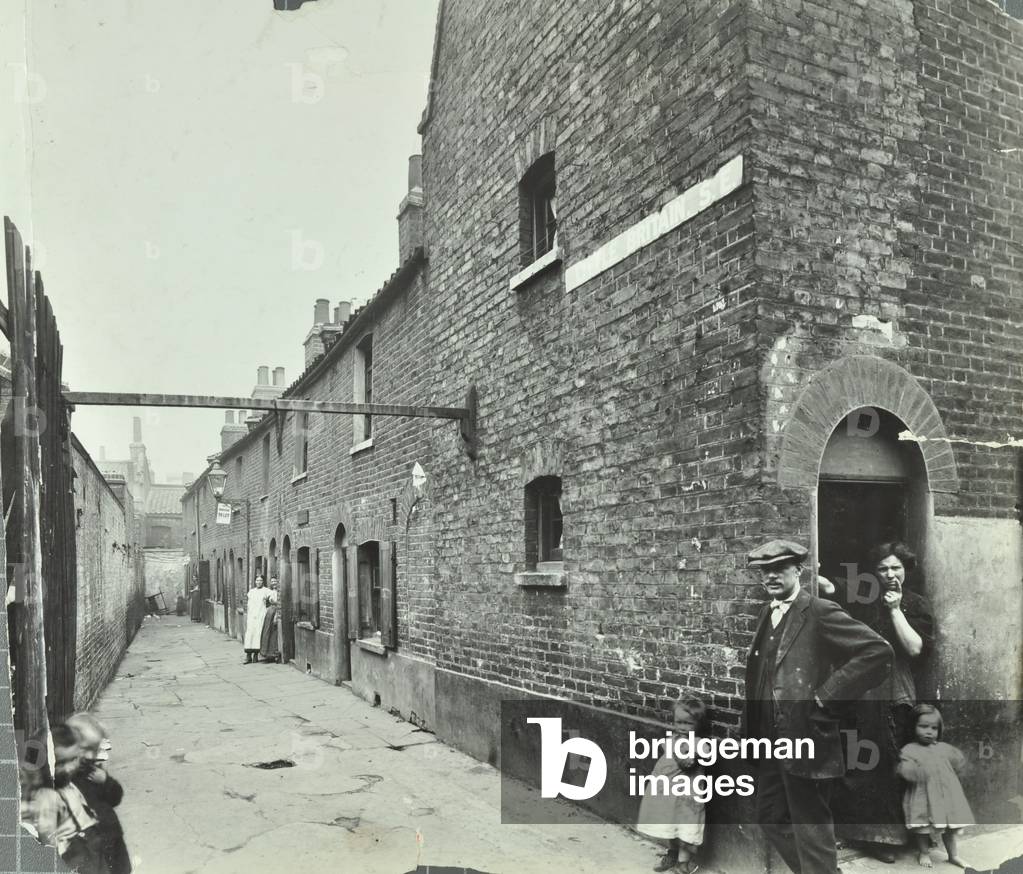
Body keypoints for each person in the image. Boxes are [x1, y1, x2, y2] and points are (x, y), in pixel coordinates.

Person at [743, 539, 893, 874]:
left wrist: (826, 698)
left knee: (811, 827)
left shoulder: (819, 612)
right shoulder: (768, 612)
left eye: (779, 569)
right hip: (768, 739)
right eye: (764, 571)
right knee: (769, 817)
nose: (770, 577)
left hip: (805, 736)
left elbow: (877, 651)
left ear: (798, 570)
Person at [829, 542, 935, 862]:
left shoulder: (916, 604)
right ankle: (865, 836)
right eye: (883, 569)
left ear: (907, 570)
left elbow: (915, 648)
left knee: (894, 758)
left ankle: (894, 837)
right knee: (861, 759)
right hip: (862, 688)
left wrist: (895, 609)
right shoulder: (863, 599)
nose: (890, 574)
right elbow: (830, 588)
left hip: (897, 688)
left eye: (896, 568)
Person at [636, 696, 708, 874]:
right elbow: (667, 749)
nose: (682, 727)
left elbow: (704, 754)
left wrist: (693, 755)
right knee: (671, 823)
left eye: (688, 724)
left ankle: (683, 864)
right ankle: (672, 853)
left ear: (698, 724)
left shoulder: (699, 743)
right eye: (679, 722)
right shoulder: (673, 739)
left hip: (687, 797)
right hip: (669, 794)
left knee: (686, 827)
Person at [897, 704, 973, 868]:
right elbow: (904, 770)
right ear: (913, 727)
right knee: (923, 827)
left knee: (951, 827)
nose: (929, 731)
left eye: (934, 728)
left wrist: (959, 764)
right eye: (923, 726)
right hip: (923, 796)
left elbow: (958, 759)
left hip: (946, 796)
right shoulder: (910, 749)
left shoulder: (943, 748)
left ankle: (953, 855)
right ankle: (924, 852)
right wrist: (917, 770)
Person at [67, 713, 132, 874]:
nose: (91, 756)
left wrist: (105, 781)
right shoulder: (66, 777)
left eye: (95, 750)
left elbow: (115, 797)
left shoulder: (94, 771)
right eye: (86, 750)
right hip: (89, 844)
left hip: (111, 834)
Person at [243, 574, 269, 664]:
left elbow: (272, 600)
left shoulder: (266, 591)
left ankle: (256, 655)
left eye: (260, 580)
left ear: (263, 581)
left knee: (258, 635)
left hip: (260, 615)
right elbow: (249, 604)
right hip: (251, 616)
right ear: (255, 581)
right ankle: (248, 656)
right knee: (249, 634)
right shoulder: (251, 591)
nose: (258, 582)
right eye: (257, 580)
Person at [258, 577, 281, 664]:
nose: (274, 583)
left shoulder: (279, 592)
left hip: (275, 612)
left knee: (274, 633)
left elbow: (279, 604)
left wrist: (276, 615)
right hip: (269, 613)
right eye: (272, 581)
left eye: (275, 581)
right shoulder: (270, 592)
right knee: (267, 632)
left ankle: (273, 653)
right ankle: (267, 654)